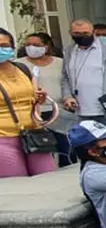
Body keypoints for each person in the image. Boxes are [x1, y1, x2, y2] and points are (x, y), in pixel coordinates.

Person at [0, 28, 56, 178]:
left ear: (12, 47)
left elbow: (33, 96)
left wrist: (40, 98)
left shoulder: (22, 69)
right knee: (17, 183)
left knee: (48, 177)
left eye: (4, 45)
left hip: (33, 133)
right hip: (3, 139)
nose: (1, 49)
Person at [16, 31, 72, 166]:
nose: (31, 47)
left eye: (36, 44)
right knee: (43, 146)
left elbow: (69, 82)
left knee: (66, 146)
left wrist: (69, 98)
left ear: (46, 46)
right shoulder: (18, 65)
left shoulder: (60, 63)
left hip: (60, 111)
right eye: (28, 45)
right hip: (35, 113)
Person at [62, 19, 106, 120]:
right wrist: (67, 96)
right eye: (77, 33)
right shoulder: (69, 51)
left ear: (93, 32)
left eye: (85, 33)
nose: (81, 36)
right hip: (79, 111)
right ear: (70, 33)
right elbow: (65, 77)